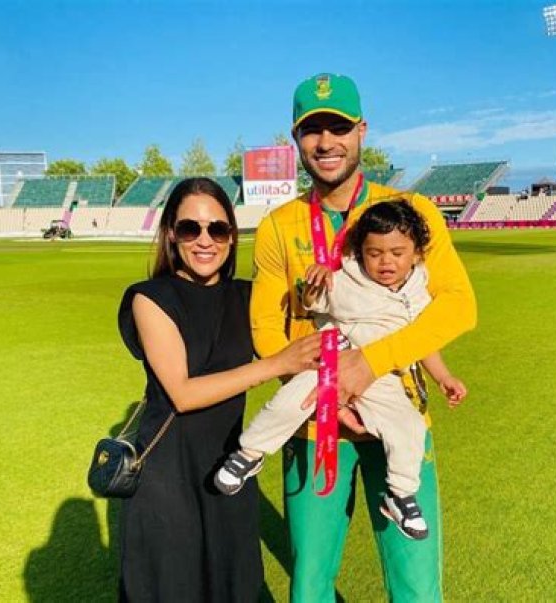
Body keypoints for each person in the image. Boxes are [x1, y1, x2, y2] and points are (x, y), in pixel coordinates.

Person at [249, 73, 477, 601]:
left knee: (417, 586)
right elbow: (266, 328)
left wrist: (370, 364)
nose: (326, 142)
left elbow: (458, 304)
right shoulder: (279, 226)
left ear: (362, 131)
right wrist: (328, 396)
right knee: (310, 584)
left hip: (399, 415)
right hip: (315, 426)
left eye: (339, 127)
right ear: (296, 137)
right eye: (313, 130)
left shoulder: (410, 213)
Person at [117, 177, 320, 602]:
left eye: (218, 229)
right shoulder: (150, 298)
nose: (205, 240)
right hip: (168, 479)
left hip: (230, 467)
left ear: (231, 235)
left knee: (235, 586)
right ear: (171, 233)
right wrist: (275, 365)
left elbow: (313, 317)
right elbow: (183, 393)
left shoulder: (247, 296)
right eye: (190, 228)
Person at [215, 201, 467, 542]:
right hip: (333, 364)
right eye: (374, 253)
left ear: (416, 253)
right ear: (361, 253)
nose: (386, 262)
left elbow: (421, 342)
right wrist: (315, 283)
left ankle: (400, 495)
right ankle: (249, 453)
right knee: (293, 400)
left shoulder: (419, 291)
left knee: (410, 426)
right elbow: (313, 301)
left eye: (397, 253)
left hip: (384, 378)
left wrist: (444, 377)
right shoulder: (347, 280)